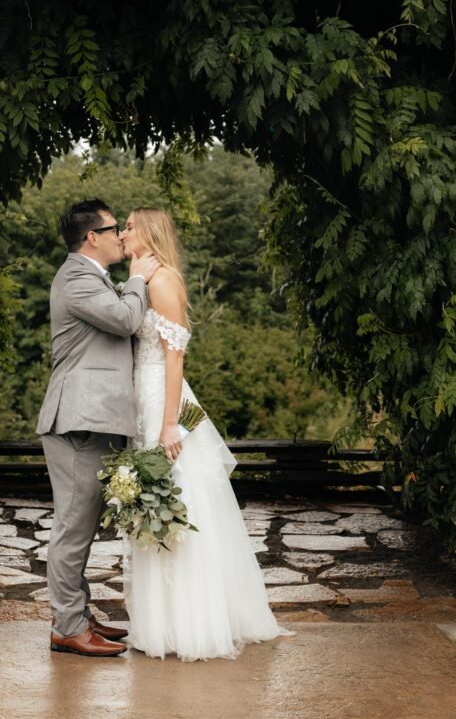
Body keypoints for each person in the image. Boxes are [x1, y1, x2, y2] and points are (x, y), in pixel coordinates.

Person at [120, 207, 286, 661]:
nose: (121, 232)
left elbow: (175, 358)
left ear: (149, 233)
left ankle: (191, 623)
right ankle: (160, 623)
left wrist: (170, 422)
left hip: (164, 402)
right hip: (144, 399)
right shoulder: (142, 277)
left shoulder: (163, 280)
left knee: (177, 500)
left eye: (129, 226)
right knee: (151, 505)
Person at [36, 199, 159, 658]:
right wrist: (140, 278)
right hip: (77, 421)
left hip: (93, 420)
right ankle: (67, 627)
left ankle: (78, 616)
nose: (120, 238)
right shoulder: (75, 278)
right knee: (72, 527)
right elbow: (126, 319)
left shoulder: (90, 277)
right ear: (93, 237)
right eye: (113, 229)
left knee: (81, 526)